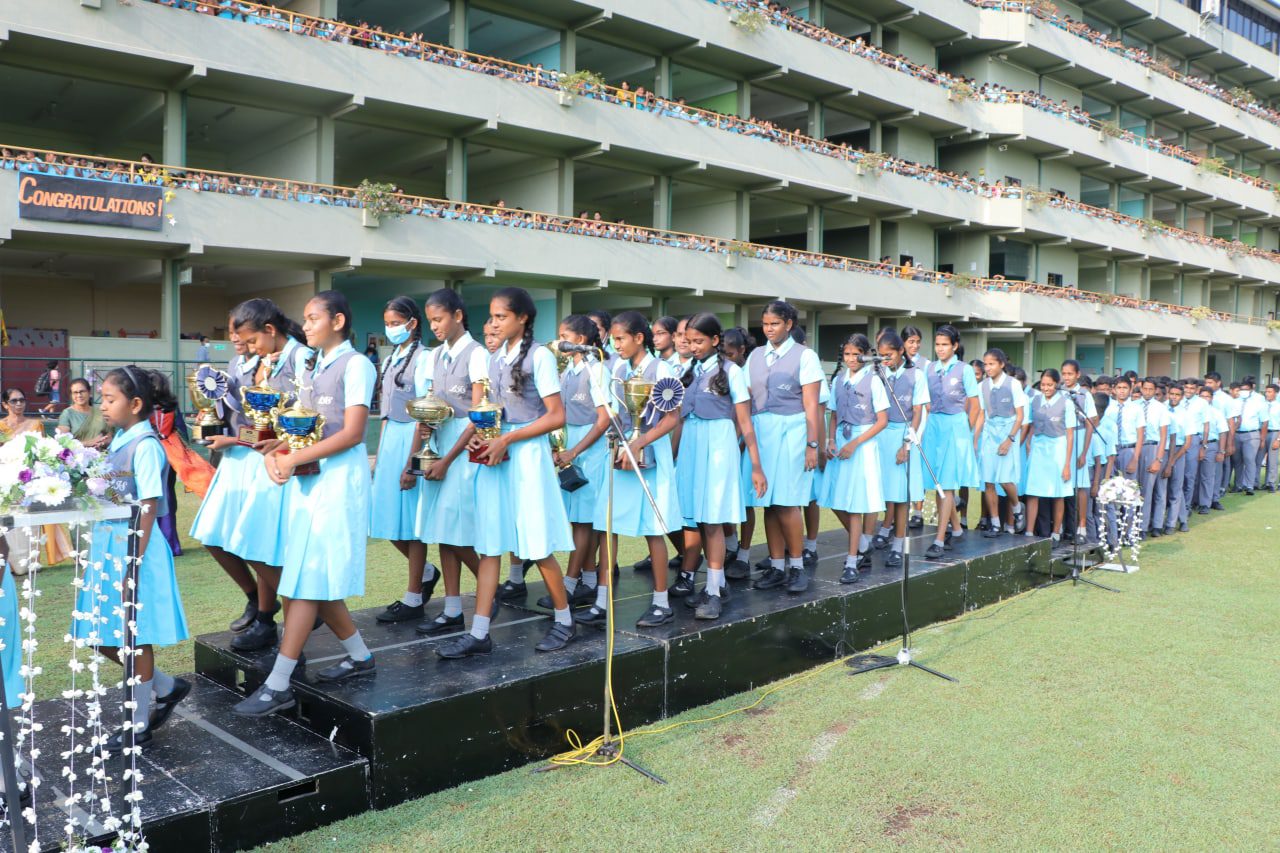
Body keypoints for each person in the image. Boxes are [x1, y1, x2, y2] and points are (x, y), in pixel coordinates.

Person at [235, 291, 378, 716]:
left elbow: (352, 433)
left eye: (313, 318)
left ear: (337, 320)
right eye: (305, 318)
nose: (306, 325)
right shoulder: (313, 365)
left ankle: (279, 683)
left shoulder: (357, 365)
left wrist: (295, 457)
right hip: (310, 480)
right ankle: (360, 656)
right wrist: (279, 447)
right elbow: (309, 431)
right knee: (309, 574)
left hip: (338, 483)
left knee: (303, 580)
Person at [437, 287, 577, 658]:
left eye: (501, 316)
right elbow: (491, 409)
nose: (494, 323)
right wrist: (481, 438)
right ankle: (479, 632)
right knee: (490, 544)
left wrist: (508, 438)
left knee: (535, 542)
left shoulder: (540, 357)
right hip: (498, 456)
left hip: (526, 458)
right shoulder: (496, 357)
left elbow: (556, 415)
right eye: (493, 316)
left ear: (522, 318)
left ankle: (564, 620)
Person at [70, 366, 190, 752]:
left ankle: (138, 724)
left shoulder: (147, 445)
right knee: (96, 634)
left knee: (134, 638)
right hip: (109, 547)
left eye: (109, 399)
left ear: (135, 404)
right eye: (101, 398)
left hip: (132, 550)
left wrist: (132, 565)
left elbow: (149, 506)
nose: (102, 405)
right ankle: (166, 686)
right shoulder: (119, 439)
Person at [592, 311, 684, 627]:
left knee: (653, 529)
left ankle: (661, 603)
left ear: (639, 338)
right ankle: (601, 601)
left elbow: (673, 418)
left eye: (620, 339)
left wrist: (640, 440)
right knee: (608, 525)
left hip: (651, 452)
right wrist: (617, 436)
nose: (615, 345)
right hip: (623, 450)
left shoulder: (663, 369)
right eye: (614, 339)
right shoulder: (617, 367)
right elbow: (616, 411)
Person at [675, 312, 765, 620]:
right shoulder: (689, 370)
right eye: (689, 341)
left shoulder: (732, 372)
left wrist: (755, 465)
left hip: (718, 445)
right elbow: (677, 418)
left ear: (715, 341)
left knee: (712, 519)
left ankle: (713, 592)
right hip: (692, 445)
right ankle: (718, 582)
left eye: (699, 341)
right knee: (698, 518)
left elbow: (744, 421)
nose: (693, 346)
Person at [414, 288, 487, 637]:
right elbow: (432, 403)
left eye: (439, 319)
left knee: (457, 532)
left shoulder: (477, 355)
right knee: (443, 534)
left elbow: (477, 414)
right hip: (441, 442)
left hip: (462, 450)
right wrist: (426, 432)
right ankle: (453, 609)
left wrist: (447, 460)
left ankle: (490, 591)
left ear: (458, 315)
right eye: (430, 320)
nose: (435, 326)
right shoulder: (435, 355)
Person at [745, 301, 824, 595]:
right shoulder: (754, 355)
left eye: (774, 324)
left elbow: (812, 406)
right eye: (765, 324)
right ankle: (777, 567)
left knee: (789, 502)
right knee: (770, 503)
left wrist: (812, 445)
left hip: (792, 431)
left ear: (789, 324)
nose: (769, 329)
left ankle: (798, 567)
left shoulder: (806, 356)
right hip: (762, 433)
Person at [371, 296, 440, 624]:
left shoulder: (424, 358)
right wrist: (382, 455)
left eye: (396, 322)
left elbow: (423, 414)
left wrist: (412, 461)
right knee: (385, 518)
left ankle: (414, 596)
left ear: (413, 324)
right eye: (387, 323)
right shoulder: (390, 358)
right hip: (390, 441)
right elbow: (385, 412)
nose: (391, 329)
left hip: (411, 438)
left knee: (411, 525)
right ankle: (427, 572)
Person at [553, 315, 611, 617]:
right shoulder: (567, 372)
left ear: (582, 340)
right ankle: (584, 580)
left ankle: (569, 583)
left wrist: (574, 450)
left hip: (591, 450)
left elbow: (604, 419)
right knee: (576, 518)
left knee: (586, 520)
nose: (560, 340)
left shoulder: (597, 369)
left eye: (565, 335)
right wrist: (560, 449)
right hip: (571, 450)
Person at [819, 334, 889, 580]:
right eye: (847, 354)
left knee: (856, 504)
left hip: (862, 443)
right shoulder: (838, 380)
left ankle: (851, 562)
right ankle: (862, 543)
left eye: (856, 354)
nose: (851, 359)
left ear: (865, 354)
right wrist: (830, 440)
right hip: (840, 440)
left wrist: (855, 444)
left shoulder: (874, 381)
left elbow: (882, 421)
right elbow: (834, 415)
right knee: (836, 500)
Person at [869, 328, 928, 568]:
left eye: (889, 355)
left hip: (903, 435)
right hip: (879, 435)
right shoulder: (877, 373)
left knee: (901, 495)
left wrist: (907, 444)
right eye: (881, 355)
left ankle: (897, 544)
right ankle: (871, 538)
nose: (885, 359)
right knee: (882, 492)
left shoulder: (917, 375)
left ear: (901, 351)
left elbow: (917, 412)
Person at [921, 325, 981, 558]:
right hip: (934, 426)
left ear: (954, 346)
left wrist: (966, 432)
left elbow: (975, 405)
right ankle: (956, 529)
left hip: (956, 427)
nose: (940, 349)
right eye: (937, 344)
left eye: (945, 344)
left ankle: (939, 538)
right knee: (938, 482)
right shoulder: (930, 369)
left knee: (946, 484)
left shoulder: (964, 370)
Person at [0, 388, 72, 571]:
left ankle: (31, 561)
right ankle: (13, 564)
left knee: (30, 516)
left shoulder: (35, 424)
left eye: (21, 400)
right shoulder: (1, 427)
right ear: (5, 404)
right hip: (8, 479)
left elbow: (41, 450)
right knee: (11, 517)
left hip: (30, 478)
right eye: (14, 401)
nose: (18, 404)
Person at [148, 372, 215, 556]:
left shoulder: (144, 406)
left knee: (152, 496)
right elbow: (181, 430)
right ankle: (171, 544)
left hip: (151, 451)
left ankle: (159, 544)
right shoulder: (171, 406)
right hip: (170, 451)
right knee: (168, 497)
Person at [1021, 369, 1076, 543]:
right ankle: (1029, 531)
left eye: (1050, 385)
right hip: (1038, 447)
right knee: (1033, 490)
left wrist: (1067, 464)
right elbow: (1029, 424)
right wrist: (1028, 443)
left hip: (1058, 448)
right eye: (1043, 384)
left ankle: (1056, 532)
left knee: (1058, 492)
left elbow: (1070, 435)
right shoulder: (1034, 400)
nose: (1046, 388)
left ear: (1057, 384)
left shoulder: (1066, 402)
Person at [976, 349, 1026, 538]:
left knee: (1005, 480)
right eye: (986, 364)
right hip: (990, 431)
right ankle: (995, 523)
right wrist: (976, 439)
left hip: (1008, 430)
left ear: (1001, 364)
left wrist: (1010, 439)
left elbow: (1020, 415)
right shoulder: (982, 386)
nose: (988, 368)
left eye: (992, 364)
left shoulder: (1013, 384)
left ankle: (1016, 506)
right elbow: (982, 413)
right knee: (988, 480)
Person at [1060, 360, 1096, 544]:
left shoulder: (1085, 395)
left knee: (1081, 486)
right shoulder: (1059, 392)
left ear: (1077, 375)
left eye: (1070, 374)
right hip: (1062, 439)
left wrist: (1084, 452)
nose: (1066, 377)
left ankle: (1081, 527)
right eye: (1064, 374)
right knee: (1062, 484)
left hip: (1080, 437)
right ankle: (1061, 527)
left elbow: (1090, 424)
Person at [900, 325, 929, 530]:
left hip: (920, 415)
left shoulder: (926, 364)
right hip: (900, 417)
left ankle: (918, 511)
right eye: (911, 341)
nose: (915, 345)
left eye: (917, 341)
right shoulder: (897, 363)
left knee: (916, 464)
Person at [1134, 378, 1170, 537]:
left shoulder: (1161, 408)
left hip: (1152, 447)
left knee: (1148, 490)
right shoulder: (1134, 405)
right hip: (1136, 447)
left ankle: (1144, 526)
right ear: (1141, 388)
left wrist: (1159, 459)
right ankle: (1132, 526)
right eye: (1145, 388)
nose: (1147, 392)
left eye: (1151, 389)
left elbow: (1164, 436)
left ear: (1155, 390)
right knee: (1134, 489)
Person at [1232, 376, 1268, 494]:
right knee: (1237, 461)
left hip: (1251, 434)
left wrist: (1262, 439)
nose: (1243, 391)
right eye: (1241, 389)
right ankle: (1238, 485)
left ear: (1251, 389)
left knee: (1249, 460)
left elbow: (1264, 421)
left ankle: (1249, 486)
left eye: (1246, 389)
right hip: (1236, 434)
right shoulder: (1235, 401)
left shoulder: (1259, 401)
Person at [1196, 385, 1227, 512]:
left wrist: (1221, 451)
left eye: (1207, 396)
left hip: (1211, 445)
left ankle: (1205, 504)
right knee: (1193, 475)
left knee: (1207, 476)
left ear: (1211, 398)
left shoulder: (1216, 413)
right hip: (1194, 443)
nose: (1204, 399)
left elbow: (1223, 432)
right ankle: (1194, 501)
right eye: (1201, 396)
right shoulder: (1194, 411)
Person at [55, 378, 110, 448]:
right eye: (75, 392)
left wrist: (102, 442)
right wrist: (88, 443)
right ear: (71, 395)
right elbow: (63, 442)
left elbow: (109, 437)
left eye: (82, 391)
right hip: (77, 456)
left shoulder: (100, 412)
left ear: (89, 392)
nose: (79, 395)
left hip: (101, 455)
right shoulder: (67, 414)